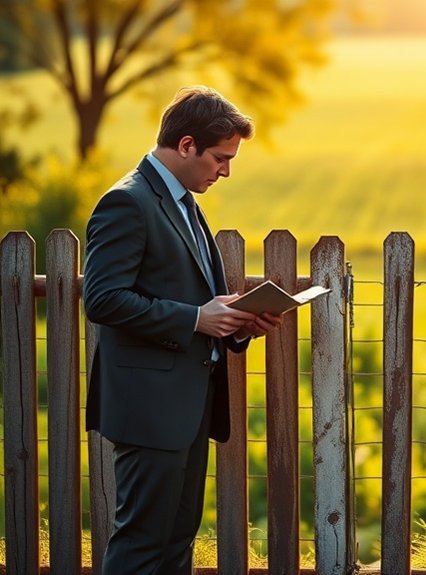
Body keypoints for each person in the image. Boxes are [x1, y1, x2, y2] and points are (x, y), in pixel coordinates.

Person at [83, 86, 283, 574]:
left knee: (177, 542)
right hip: (149, 407)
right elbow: (103, 299)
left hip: (188, 405)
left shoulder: (182, 200)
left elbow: (195, 297)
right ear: (187, 145)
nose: (226, 171)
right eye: (221, 157)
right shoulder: (127, 202)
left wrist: (239, 324)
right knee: (142, 543)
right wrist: (197, 318)